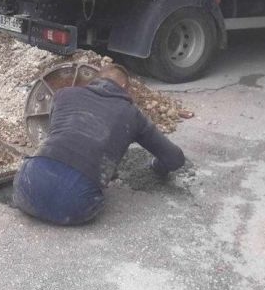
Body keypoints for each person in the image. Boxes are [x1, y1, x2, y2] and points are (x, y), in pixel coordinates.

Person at [12, 65, 185, 225]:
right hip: (74, 206)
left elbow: (58, 134)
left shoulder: (63, 94)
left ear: (94, 81)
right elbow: (175, 158)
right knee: (83, 194)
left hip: (26, 186)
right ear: (124, 86)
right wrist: (157, 167)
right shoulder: (131, 114)